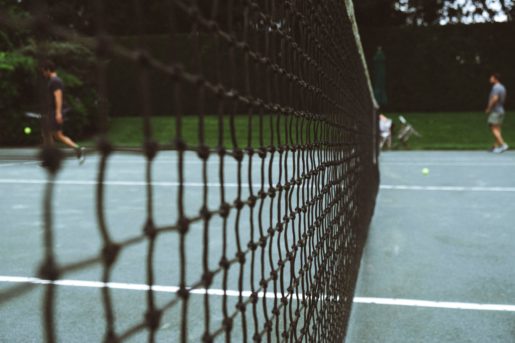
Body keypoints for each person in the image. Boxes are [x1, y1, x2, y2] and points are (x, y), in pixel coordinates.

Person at [40, 60, 85, 163]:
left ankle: (50, 158)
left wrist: (58, 113)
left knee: (46, 134)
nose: (43, 74)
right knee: (57, 135)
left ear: (48, 70)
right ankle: (77, 148)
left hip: (55, 112)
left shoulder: (55, 81)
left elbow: (58, 97)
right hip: (53, 111)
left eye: (43, 71)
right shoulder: (54, 81)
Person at [485, 73, 508, 153]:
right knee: (497, 129)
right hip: (501, 110)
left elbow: (495, 99)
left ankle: (503, 145)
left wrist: (489, 108)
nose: (490, 79)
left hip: (496, 111)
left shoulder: (495, 88)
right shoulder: (502, 87)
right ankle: (495, 146)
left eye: (491, 78)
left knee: (493, 128)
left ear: (495, 79)